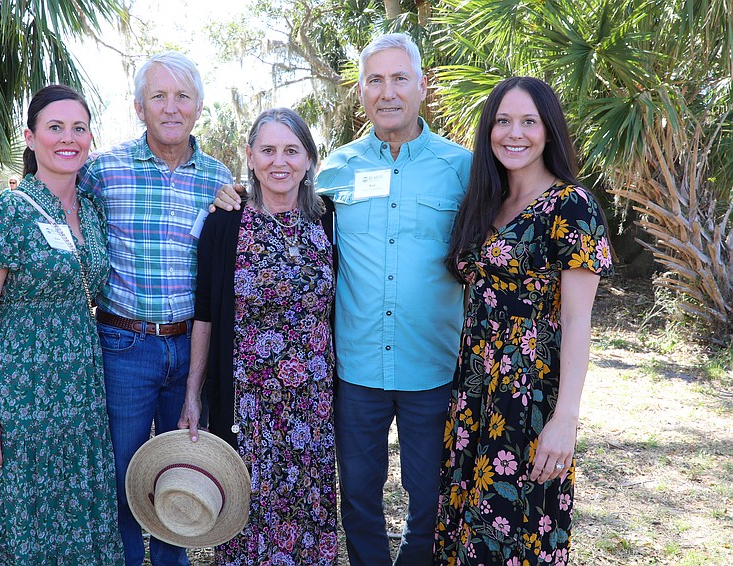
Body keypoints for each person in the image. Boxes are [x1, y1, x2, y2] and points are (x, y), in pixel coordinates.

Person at [212, 33, 472, 566]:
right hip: (355, 370)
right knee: (357, 502)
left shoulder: (464, 169)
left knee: (430, 501)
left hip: (434, 365)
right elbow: (282, 202)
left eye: (400, 77)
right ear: (360, 92)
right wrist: (237, 194)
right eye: (375, 80)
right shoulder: (335, 169)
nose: (388, 91)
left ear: (422, 85)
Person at [0, 52, 233, 566]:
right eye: (158, 96)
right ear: (138, 107)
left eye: (182, 97)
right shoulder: (104, 173)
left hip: (183, 347)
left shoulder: (218, 182)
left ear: (199, 107)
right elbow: (24, 213)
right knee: (120, 481)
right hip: (119, 347)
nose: (170, 108)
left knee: (178, 476)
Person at [433, 77, 613, 565]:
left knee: (513, 533)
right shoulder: (484, 201)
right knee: (465, 529)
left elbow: (578, 322)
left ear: (549, 131)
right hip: (474, 390)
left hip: (528, 398)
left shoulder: (571, 206)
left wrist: (565, 420)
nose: (514, 133)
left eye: (529, 121)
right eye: (503, 121)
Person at [0, 85, 123, 564]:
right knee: (25, 513)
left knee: (81, 511)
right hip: (23, 394)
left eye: (79, 128)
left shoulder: (92, 212)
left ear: (91, 138)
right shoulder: (4, 211)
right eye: (55, 128)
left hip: (82, 393)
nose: (68, 138)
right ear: (30, 138)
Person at [178, 108, 338, 564]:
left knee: (307, 510)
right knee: (244, 511)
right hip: (245, 401)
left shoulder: (329, 219)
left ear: (309, 159)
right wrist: (194, 395)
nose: (279, 161)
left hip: (311, 404)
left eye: (292, 150)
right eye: (267, 150)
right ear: (250, 156)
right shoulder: (225, 221)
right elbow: (205, 314)